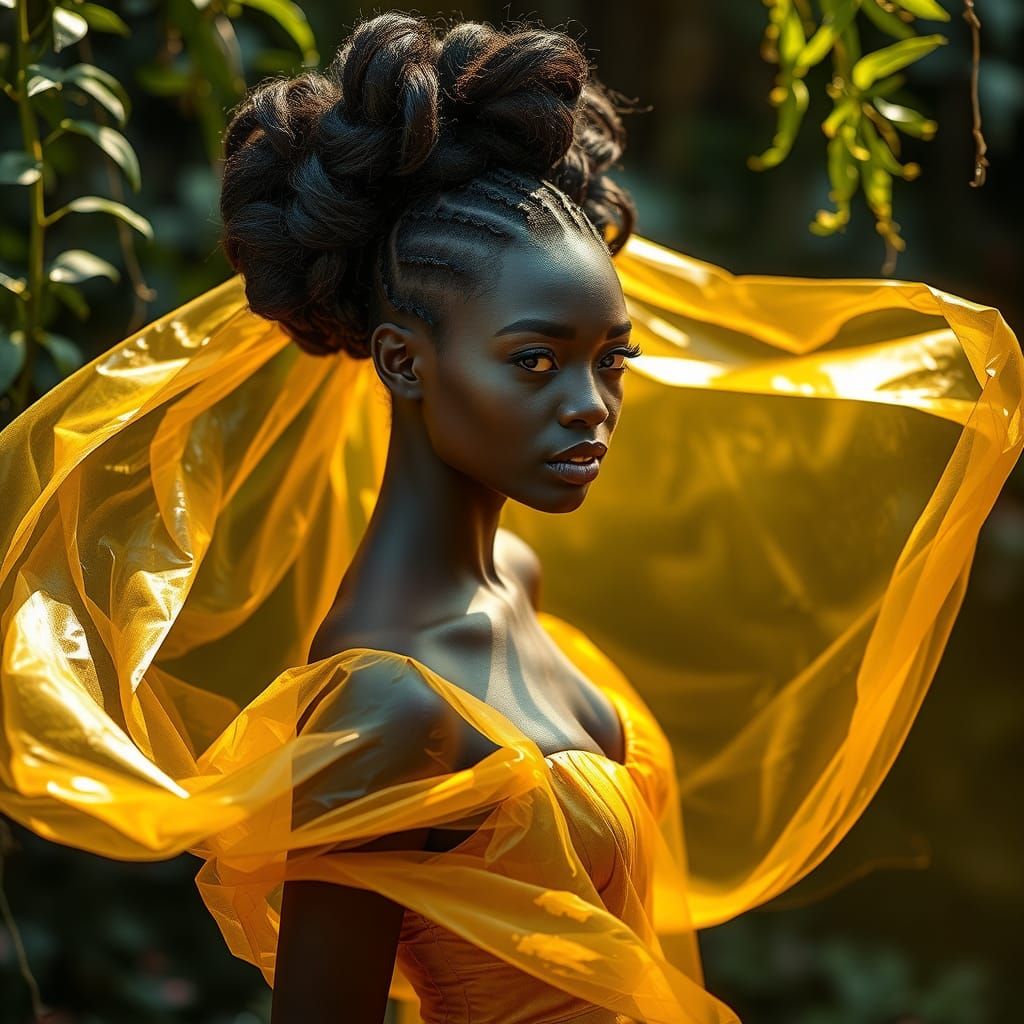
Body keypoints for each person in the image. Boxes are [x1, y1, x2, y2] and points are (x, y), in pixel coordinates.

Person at [0, 10, 1020, 1024]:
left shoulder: (515, 579)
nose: (590, 406)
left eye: (610, 359)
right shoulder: (385, 711)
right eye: (535, 361)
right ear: (403, 360)